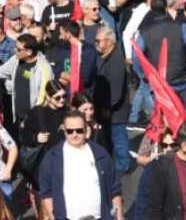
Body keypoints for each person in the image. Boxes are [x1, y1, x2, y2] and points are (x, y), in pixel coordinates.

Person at [37, 110, 121, 220]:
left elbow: (114, 189)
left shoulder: (101, 154)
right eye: (70, 131)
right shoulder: (52, 157)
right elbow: (46, 193)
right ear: (64, 130)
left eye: (79, 130)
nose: (75, 134)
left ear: (86, 130)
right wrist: (53, 217)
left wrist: (120, 218)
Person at [0, 34, 53, 127]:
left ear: (29, 51)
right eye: (15, 48)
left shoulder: (44, 67)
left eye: (19, 49)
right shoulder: (16, 60)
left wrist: (30, 118)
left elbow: (43, 95)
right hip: (18, 118)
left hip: (35, 119)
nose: (15, 51)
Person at [93, 25, 131, 172]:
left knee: (118, 138)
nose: (96, 43)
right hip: (107, 108)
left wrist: (108, 107)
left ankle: (123, 165)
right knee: (111, 138)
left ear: (109, 42)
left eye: (99, 41)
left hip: (115, 111)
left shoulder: (116, 60)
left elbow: (115, 88)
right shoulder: (105, 56)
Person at [18, 80, 67, 185]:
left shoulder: (68, 112)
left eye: (64, 96)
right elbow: (23, 134)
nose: (62, 100)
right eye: (57, 97)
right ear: (48, 97)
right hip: (43, 167)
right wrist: (35, 138)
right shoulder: (38, 112)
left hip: (64, 165)